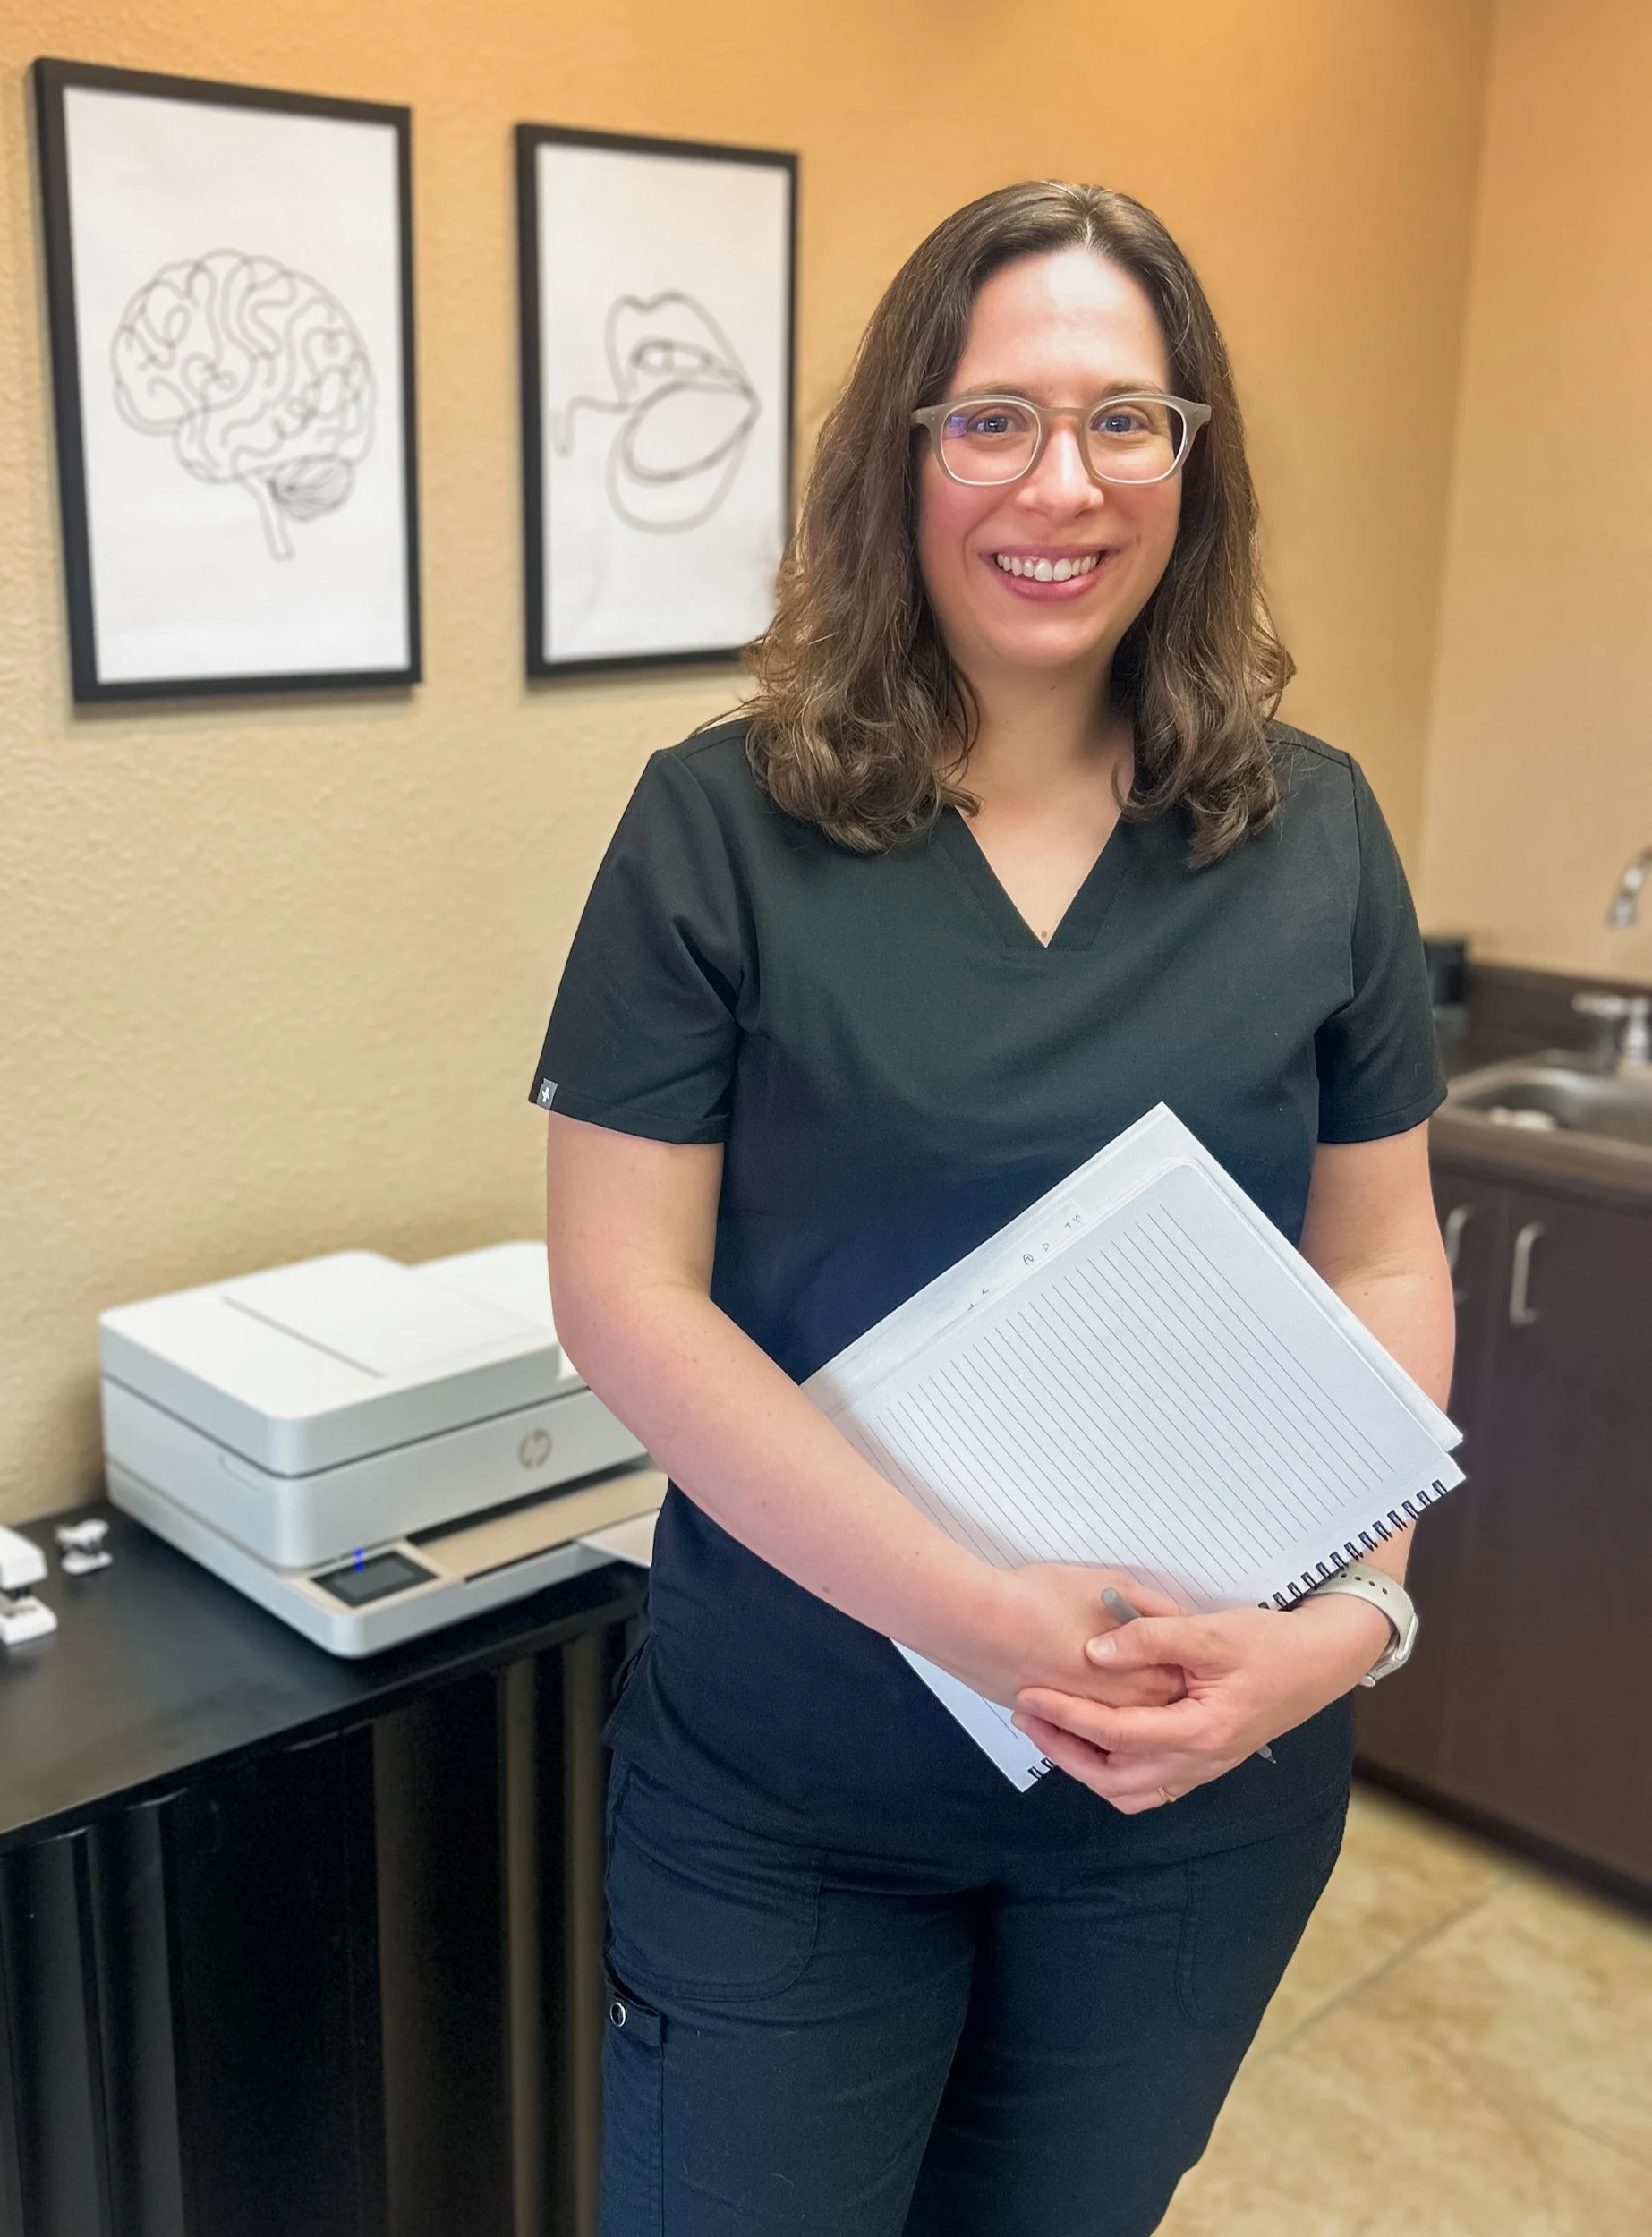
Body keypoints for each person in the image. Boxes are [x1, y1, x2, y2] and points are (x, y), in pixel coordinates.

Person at [532, 181, 1452, 2237]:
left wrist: (1347, 1619)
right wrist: (971, 1615)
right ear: (903, 455)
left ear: (1190, 462)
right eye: (994, 420)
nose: (1065, 482)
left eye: (1127, 419)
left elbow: (1377, 1252)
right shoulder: (719, 826)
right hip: (794, 1790)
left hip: (1185, 1802)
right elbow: (623, 1295)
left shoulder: (1310, 837)